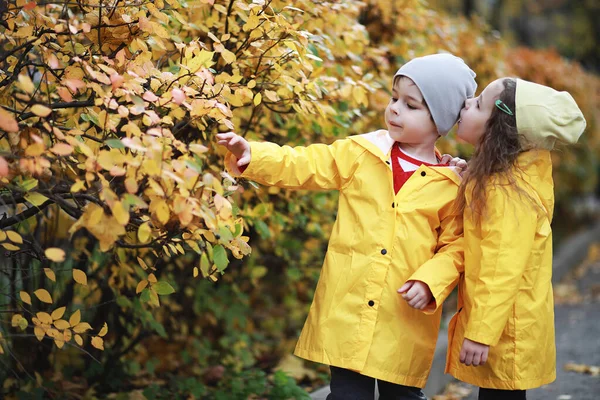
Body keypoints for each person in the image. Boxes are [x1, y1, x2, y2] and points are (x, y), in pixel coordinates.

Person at [217, 53, 476, 399]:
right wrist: (254, 154)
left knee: (401, 397)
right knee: (346, 395)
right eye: (395, 97)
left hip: (403, 318)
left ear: (439, 121)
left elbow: (456, 247)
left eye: (411, 105)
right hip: (348, 307)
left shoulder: (450, 185)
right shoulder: (362, 153)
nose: (395, 108)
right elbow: (306, 163)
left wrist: (431, 282)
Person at [404, 77, 585, 400]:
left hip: (505, 326)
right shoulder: (509, 177)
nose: (466, 105)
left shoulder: (507, 193)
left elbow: (501, 266)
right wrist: (466, 176)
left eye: (478, 104)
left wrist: (481, 333)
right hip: (505, 320)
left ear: (498, 130)